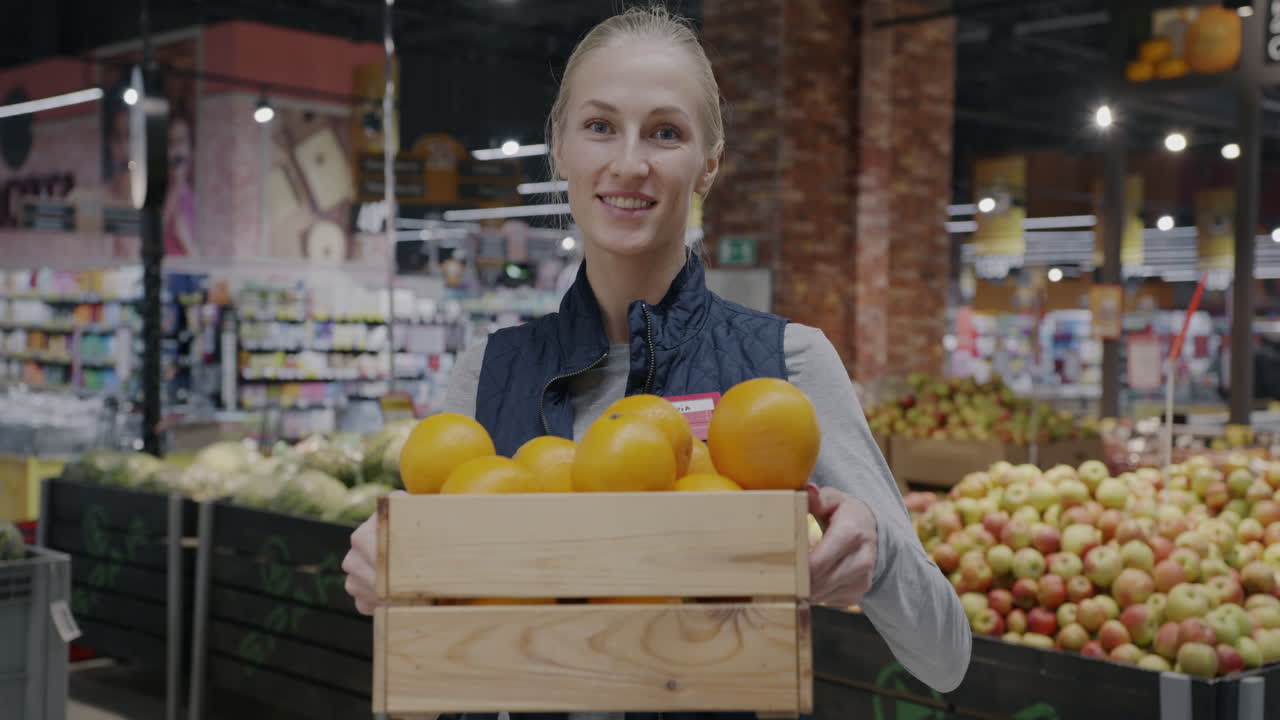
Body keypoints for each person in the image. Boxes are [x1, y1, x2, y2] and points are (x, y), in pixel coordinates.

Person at [342, 3, 971, 701]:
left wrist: (875, 558)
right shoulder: (489, 371)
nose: (630, 162)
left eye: (665, 133)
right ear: (560, 149)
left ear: (708, 165)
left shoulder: (787, 363)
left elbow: (945, 658)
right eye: (600, 126)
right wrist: (388, 569)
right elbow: (434, 629)